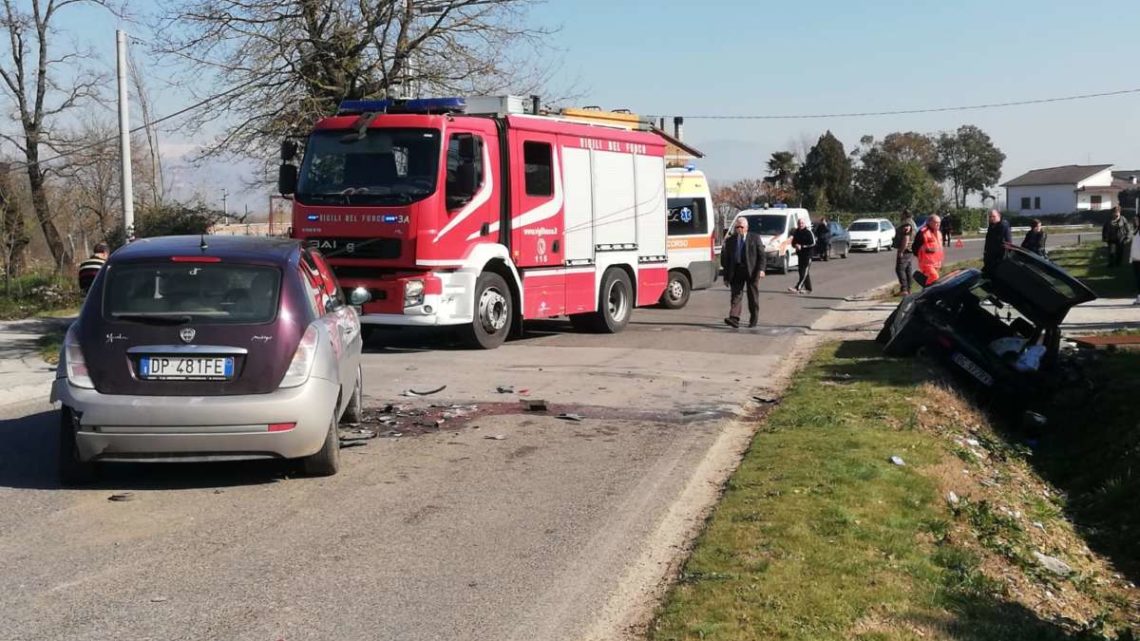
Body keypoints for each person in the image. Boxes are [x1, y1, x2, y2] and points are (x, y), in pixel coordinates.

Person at [720, 216, 767, 328]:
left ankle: (754, 318)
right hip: (736, 270)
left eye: (741, 226)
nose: (738, 229)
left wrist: (761, 269)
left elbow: (762, 255)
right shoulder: (731, 241)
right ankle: (734, 318)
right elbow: (727, 260)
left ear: (746, 227)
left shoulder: (754, 238)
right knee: (736, 295)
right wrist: (726, 277)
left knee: (752, 296)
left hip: (752, 270)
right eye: (737, 227)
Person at [787, 217, 816, 295]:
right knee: (802, 272)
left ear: (805, 224)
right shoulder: (796, 232)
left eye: (802, 223)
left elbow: (813, 243)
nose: (801, 225)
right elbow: (793, 242)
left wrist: (802, 246)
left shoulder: (808, 232)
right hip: (800, 255)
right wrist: (795, 245)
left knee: (804, 272)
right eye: (799, 223)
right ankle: (808, 289)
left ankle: (797, 288)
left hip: (808, 255)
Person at [913, 214, 944, 286]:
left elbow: (939, 247)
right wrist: (921, 256)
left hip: (937, 263)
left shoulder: (939, 233)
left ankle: (931, 292)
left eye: (939, 222)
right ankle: (926, 291)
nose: (938, 224)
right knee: (934, 277)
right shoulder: (923, 233)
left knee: (934, 281)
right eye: (936, 222)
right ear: (929, 222)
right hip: (927, 264)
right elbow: (915, 247)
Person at [982, 209, 1011, 276]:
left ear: (999, 216)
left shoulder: (1003, 226)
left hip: (998, 257)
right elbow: (988, 241)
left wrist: (1004, 256)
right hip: (989, 256)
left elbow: (1008, 242)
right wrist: (985, 252)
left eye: (993, 216)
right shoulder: (991, 226)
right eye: (990, 217)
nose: (991, 218)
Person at [894, 213, 917, 296]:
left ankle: (904, 289)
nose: (900, 216)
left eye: (901, 214)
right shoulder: (912, 223)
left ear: (905, 215)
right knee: (908, 269)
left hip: (906, 250)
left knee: (900, 269)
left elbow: (906, 238)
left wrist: (901, 251)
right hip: (911, 249)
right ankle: (909, 289)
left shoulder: (906, 224)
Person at [1131, 215, 1140, 305]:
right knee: (1137, 279)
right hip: (1135, 258)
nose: (1135, 221)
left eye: (1137, 220)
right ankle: (1139, 296)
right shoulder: (1136, 231)